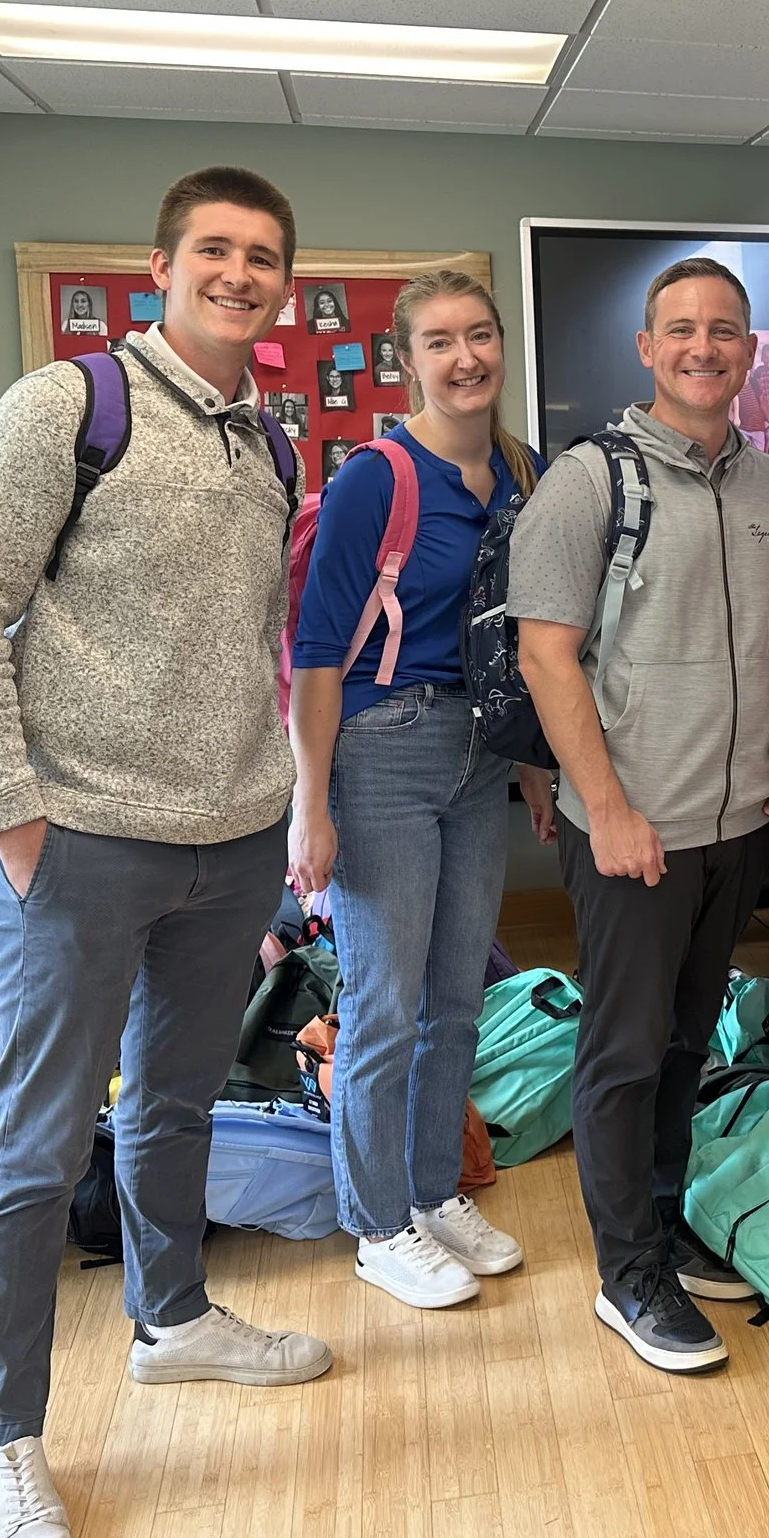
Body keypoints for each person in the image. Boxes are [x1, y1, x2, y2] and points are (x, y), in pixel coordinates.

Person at [0, 167, 332, 1538]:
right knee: (37, 1143)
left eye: (263, 256)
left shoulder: (268, 443)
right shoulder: (67, 408)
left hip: (231, 839)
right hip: (79, 841)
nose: (239, 273)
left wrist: (274, 798)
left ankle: (175, 1319)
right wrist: (11, 818)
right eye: (215, 248)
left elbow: (251, 645)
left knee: (175, 1104)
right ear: (161, 266)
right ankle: (5, 1440)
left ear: (284, 285)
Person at [506, 255, 769, 1373]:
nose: (702, 347)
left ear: (751, 351)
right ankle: (625, 1274)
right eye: (680, 328)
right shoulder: (589, 482)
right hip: (633, 831)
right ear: (646, 347)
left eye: (724, 329)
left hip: (740, 826)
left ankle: (664, 1224)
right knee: (625, 1053)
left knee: (688, 1040)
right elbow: (546, 657)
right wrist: (608, 807)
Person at [287, 269, 556, 1314]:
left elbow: (516, 637)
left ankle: (435, 1191)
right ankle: (376, 1223)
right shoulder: (378, 478)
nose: (465, 357)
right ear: (407, 361)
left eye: (480, 335)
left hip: (478, 752)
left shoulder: (522, 472)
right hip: (381, 751)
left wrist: (530, 764)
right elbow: (318, 651)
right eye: (439, 341)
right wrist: (312, 804)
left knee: (456, 998)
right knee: (384, 1005)